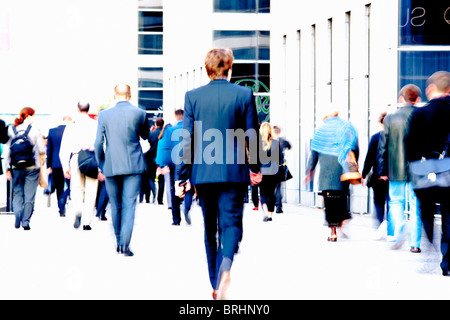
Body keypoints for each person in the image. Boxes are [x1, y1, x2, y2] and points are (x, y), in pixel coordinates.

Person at [175, 48, 261, 300]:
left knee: (210, 228)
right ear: (230, 68)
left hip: (203, 173)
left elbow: (187, 138)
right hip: (234, 172)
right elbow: (252, 135)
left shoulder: (193, 97)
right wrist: (255, 168)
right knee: (231, 223)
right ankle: (226, 266)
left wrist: (182, 176)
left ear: (207, 68)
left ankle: (214, 283)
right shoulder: (244, 94)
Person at [94, 84, 150, 256]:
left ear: (114, 95)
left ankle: (118, 241)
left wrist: (102, 164)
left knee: (115, 205)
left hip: (111, 165)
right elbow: (145, 136)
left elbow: (97, 143)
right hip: (134, 165)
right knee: (129, 205)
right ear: (130, 95)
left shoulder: (104, 115)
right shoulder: (140, 113)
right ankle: (125, 245)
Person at [406, 71, 450, 275]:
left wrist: (416, 167)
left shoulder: (420, 114)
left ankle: (431, 244)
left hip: (425, 172)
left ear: (431, 89)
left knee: (426, 212)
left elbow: (410, 146)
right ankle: (447, 262)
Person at [378, 84, 422, 253]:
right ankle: (415, 244)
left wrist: (382, 170)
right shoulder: (422, 116)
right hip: (417, 168)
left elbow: (383, 146)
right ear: (417, 99)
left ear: (400, 99)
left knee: (395, 202)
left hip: (395, 169)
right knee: (415, 205)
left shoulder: (389, 119)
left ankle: (399, 229)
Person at [305, 106, 358, 242]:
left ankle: (333, 231)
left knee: (329, 201)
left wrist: (309, 170)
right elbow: (354, 148)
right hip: (342, 170)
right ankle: (342, 220)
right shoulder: (347, 128)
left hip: (326, 173)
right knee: (342, 197)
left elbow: (314, 154)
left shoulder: (320, 131)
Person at [60, 102, 101, 230]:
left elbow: (64, 148)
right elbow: (101, 144)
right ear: (89, 109)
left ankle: (78, 210)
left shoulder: (72, 126)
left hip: (76, 157)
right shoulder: (96, 125)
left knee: (76, 188)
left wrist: (65, 167)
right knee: (91, 190)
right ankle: (87, 222)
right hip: (92, 158)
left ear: (78, 109)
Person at [3, 107, 46, 230]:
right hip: (32, 167)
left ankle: (17, 214)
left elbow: (7, 150)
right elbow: (42, 149)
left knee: (17, 192)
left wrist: (7, 168)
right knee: (29, 195)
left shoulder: (11, 129)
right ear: (29, 116)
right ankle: (25, 221)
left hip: (16, 167)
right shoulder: (35, 130)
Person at [361, 112, 391, 238]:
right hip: (392, 175)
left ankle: (380, 224)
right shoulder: (396, 138)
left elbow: (370, 158)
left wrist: (363, 174)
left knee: (378, 202)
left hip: (378, 176)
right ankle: (390, 227)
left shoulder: (375, 138)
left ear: (380, 123)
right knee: (391, 202)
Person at [157, 110, 189, 225]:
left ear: (175, 117)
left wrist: (163, 164)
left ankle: (176, 219)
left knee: (173, 188)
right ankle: (187, 208)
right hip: (187, 161)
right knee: (187, 184)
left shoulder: (170, 130)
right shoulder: (190, 130)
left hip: (174, 163)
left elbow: (165, 148)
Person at [47, 115, 72, 217]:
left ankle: (61, 209)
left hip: (56, 163)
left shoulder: (52, 131)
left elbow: (49, 150)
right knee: (71, 186)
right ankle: (65, 199)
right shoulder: (72, 130)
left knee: (59, 187)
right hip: (70, 162)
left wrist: (49, 165)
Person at [259, 122, 283, 222]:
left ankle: (265, 212)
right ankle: (270, 215)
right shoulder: (276, 143)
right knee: (271, 193)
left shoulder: (258, 143)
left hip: (262, 172)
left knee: (263, 194)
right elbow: (279, 158)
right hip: (273, 172)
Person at [273, 125, 291, 213]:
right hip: (279, 167)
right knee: (278, 187)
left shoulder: (269, 141)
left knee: (270, 187)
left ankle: (271, 204)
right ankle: (278, 206)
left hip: (269, 167)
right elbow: (289, 146)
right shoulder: (282, 141)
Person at [148, 118, 165, 205]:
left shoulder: (151, 134)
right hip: (161, 158)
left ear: (155, 124)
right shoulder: (165, 134)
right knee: (161, 179)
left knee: (150, 177)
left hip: (151, 158)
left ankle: (148, 197)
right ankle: (160, 199)